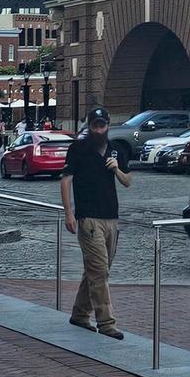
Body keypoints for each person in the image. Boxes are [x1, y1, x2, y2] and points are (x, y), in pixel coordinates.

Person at [60, 106, 131, 339]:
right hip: (88, 218)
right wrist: (69, 212)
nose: (99, 129)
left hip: (111, 217)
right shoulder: (79, 148)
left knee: (98, 269)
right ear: (89, 126)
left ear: (108, 125)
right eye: (95, 125)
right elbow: (66, 180)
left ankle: (80, 313)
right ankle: (106, 322)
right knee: (99, 271)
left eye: (102, 125)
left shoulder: (116, 150)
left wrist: (117, 170)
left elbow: (128, 181)